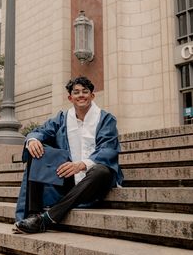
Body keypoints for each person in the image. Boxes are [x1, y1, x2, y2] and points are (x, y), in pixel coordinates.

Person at [14, 76, 123, 234]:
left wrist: (81, 165)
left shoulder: (105, 119)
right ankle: (34, 213)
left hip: (94, 180)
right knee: (35, 149)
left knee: (101, 170)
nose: (81, 95)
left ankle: (46, 219)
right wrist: (32, 140)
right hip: (69, 178)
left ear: (92, 96)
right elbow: (40, 132)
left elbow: (108, 149)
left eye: (85, 92)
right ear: (70, 98)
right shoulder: (62, 119)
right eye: (76, 92)